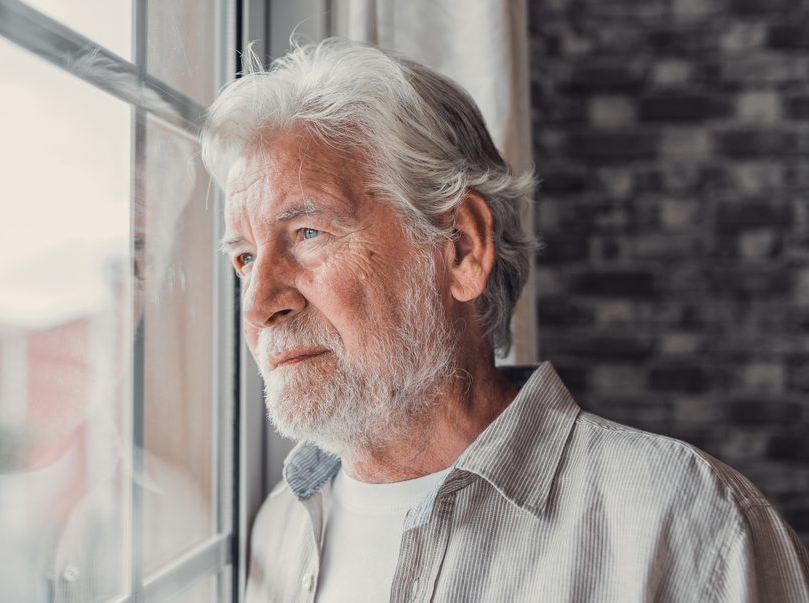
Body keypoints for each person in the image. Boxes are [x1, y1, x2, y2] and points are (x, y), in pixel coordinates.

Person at [200, 38, 809, 602]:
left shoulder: (689, 524)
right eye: (245, 258)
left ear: (461, 248)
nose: (258, 304)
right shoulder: (279, 526)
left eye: (307, 233)